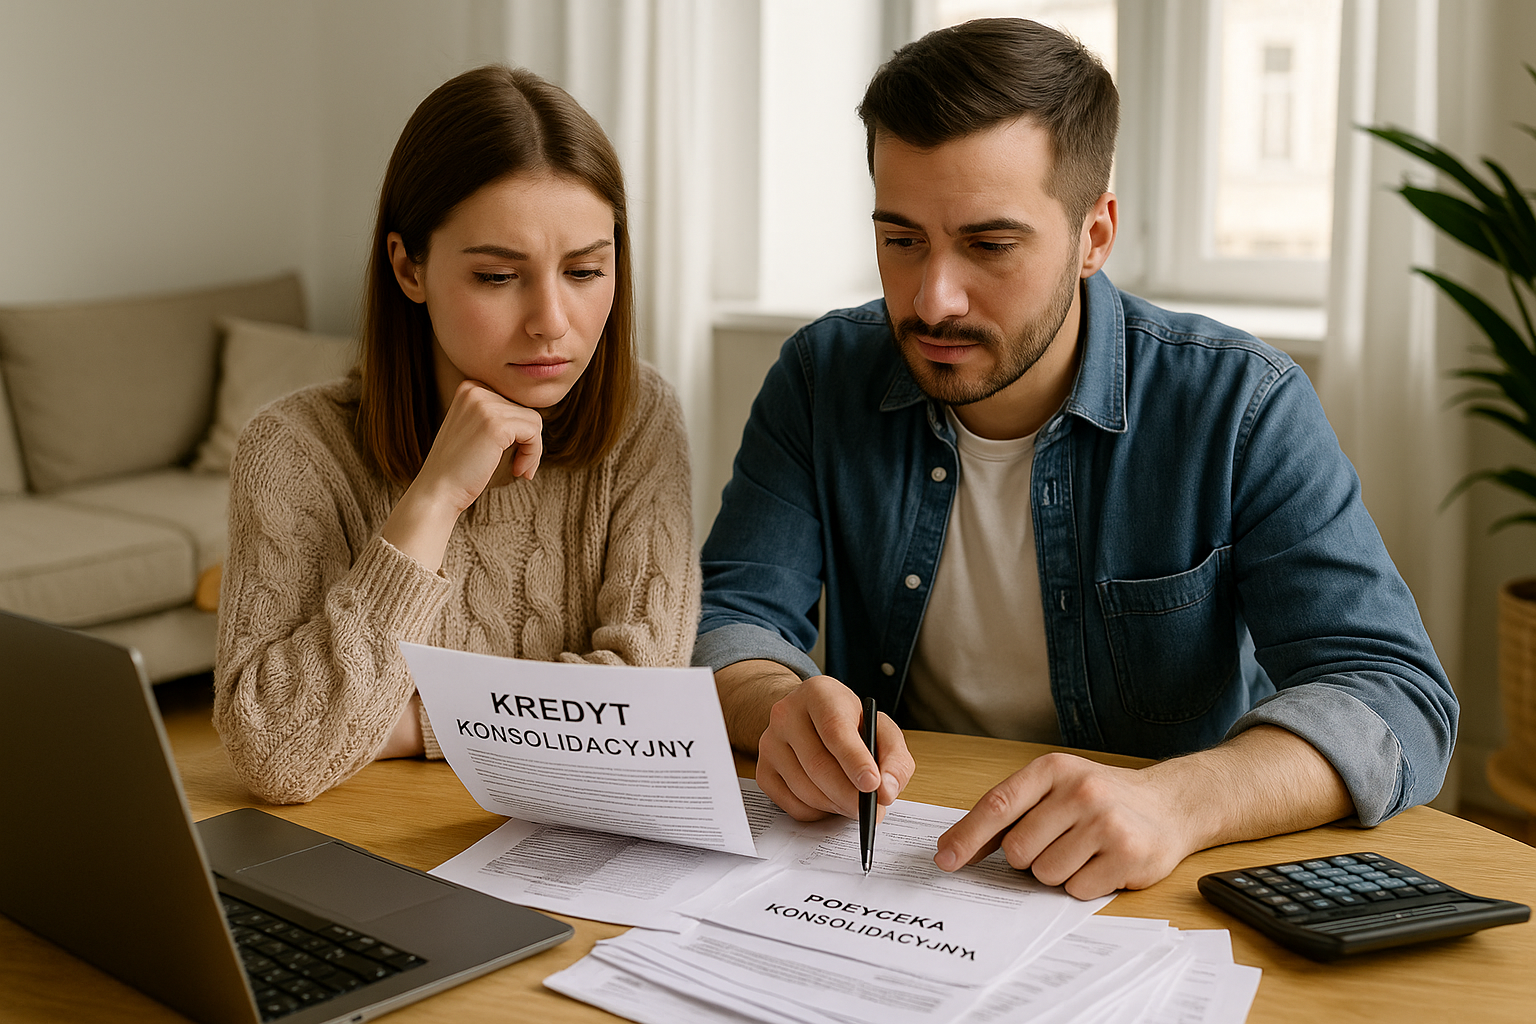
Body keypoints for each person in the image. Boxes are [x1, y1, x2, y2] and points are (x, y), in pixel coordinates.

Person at [696, 19, 1456, 899]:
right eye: (902, 240)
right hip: (894, 864)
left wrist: (1179, 801)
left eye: (989, 245)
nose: (933, 298)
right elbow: (734, 613)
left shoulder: (1240, 405)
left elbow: (1396, 693)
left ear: (1095, 236)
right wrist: (774, 703)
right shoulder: (821, 376)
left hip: (1145, 877)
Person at [216, 66, 700, 805]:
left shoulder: (640, 422)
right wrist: (434, 499)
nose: (552, 321)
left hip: (563, 853)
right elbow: (277, 749)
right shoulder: (290, 450)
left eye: (584, 270)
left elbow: (645, 704)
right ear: (408, 266)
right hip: (363, 852)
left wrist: (407, 724)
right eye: (499, 277)